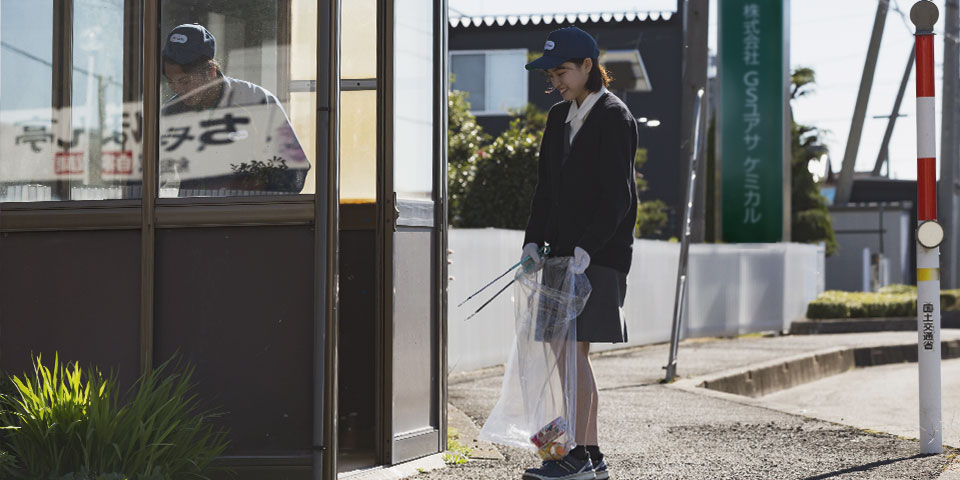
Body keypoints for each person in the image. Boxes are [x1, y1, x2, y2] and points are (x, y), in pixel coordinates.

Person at [520, 26, 638, 480]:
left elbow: (618, 197)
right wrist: (532, 241)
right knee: (562, 350)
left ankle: (583, 455)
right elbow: (545, 191)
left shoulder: (614, 116)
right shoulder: (557, 117)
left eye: (562, 71)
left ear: (589, 66)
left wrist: (588, 248)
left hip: (597, 257)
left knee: (572, 351)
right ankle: (586, 455)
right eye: (551, 74)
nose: (556, 81)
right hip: (557, 257)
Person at [160, 23, 309, 195]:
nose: (178, 90)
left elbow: (294, 171)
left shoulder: (257, 102)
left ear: (210, 72)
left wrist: (258, 204)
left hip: (245, 215)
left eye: (185, 82)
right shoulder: (170, 113)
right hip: (193, 217)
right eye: (171, 82)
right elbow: (152, 173)